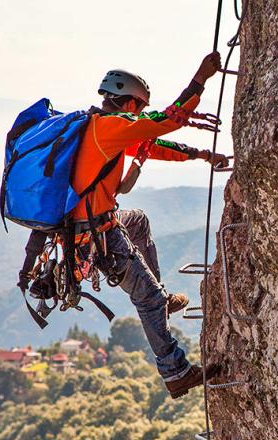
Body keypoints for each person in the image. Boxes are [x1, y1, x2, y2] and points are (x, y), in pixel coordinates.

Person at [68, 51, 227, 399]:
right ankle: (176, 372)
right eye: (138, 108)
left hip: (86, 227)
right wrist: (200, 78)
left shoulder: (97, 128)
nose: (138, 115)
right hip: (96, 233)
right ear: (128, 101)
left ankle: (162, 299)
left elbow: (151, 144)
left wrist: (200, 154)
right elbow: (167, 120)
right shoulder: (109, 128)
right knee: (148, 299)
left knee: (137, 220)